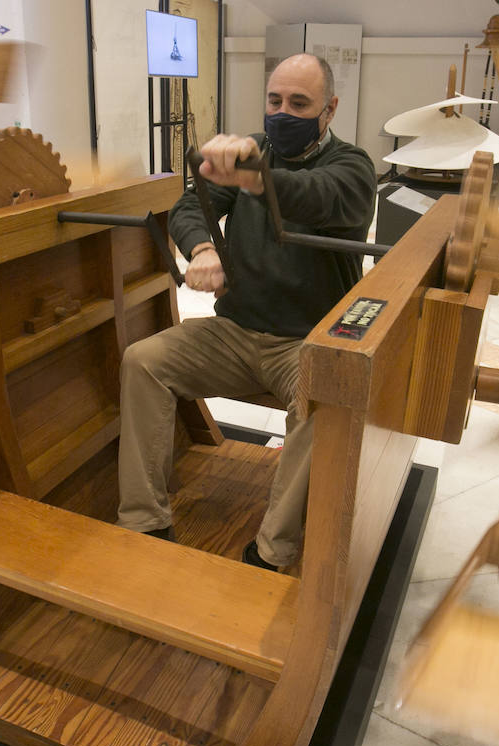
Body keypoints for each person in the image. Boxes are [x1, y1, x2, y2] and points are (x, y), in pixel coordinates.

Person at [115, 53, 375, 570]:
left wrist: (255, 178)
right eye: (274, 100)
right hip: (235, 331)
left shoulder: (351, 167)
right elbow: (192, 206)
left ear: (330, 109)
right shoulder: (252, 153)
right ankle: (144, 520)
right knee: (143, 361)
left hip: (307, 340)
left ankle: (272, 551)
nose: (283, 113)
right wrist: (204, 249)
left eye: (299, 103)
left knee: (319, 401)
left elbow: (316, 197)